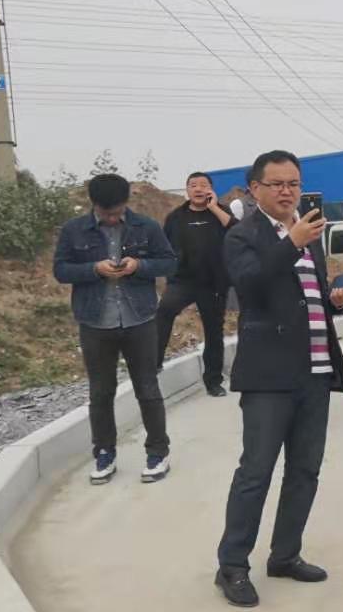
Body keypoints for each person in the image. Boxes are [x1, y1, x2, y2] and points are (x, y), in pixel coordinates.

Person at [214, 150, 343, 609]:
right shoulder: (243, 235)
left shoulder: (307, 234)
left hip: (316, 371)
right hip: (269, 375)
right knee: (255, 472)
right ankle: (232, 565)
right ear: (255, 189)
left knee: (305, 471)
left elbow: (305, 295)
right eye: (277, 184)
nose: (287, 191)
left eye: (294, 183)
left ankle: (285, 554)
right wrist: (291, 242)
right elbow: (249, 288)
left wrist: (334, 301)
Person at [53, 173, 177, 486]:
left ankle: (158, 452)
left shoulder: (146, 226)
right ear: (94, 204)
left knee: (147, 389)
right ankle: (104, 453)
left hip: (140, 320)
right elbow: (61, 270)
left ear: (126, 203)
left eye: (117, 212)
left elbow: (169, 262)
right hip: (95, 323)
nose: (112, 218)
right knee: (100, 393)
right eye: (106, 213)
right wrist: (94, 269)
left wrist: (139, 266)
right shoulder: (73, 230)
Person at [156, 171, 233, 396]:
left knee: (214, 331)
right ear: (187, 190)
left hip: (214, 283)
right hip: (183, 281)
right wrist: (169, 275)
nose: (198, 189)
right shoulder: (175, 217)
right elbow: (165, 247)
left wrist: (214, 207)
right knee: (164, 311)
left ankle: (213, 381)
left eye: (203, 185)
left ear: (211, 189)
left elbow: (236, 231)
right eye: (193, 185)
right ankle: (153, 362)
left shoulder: (221, 212)